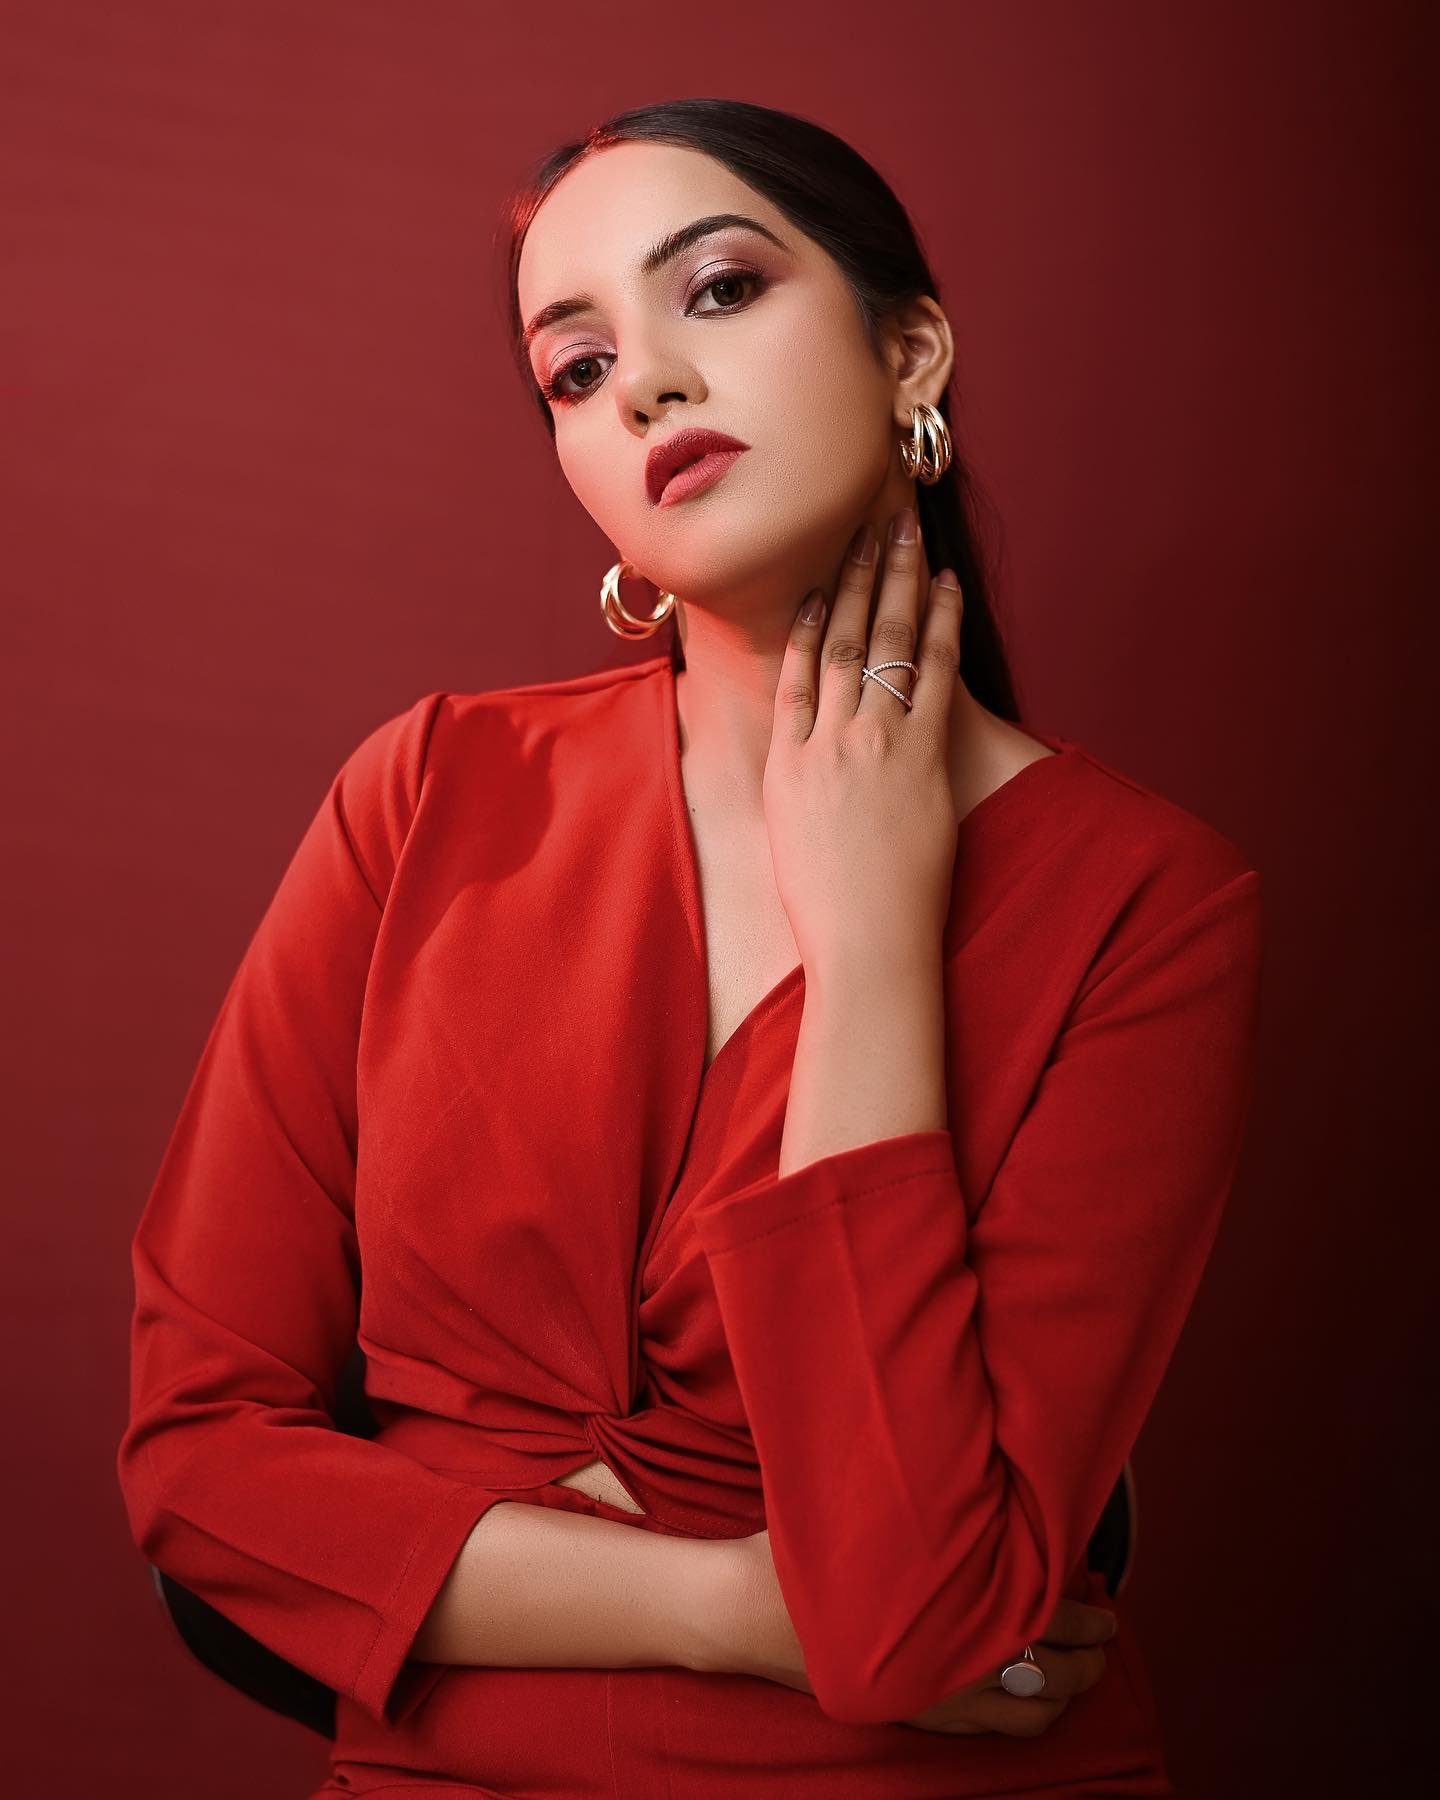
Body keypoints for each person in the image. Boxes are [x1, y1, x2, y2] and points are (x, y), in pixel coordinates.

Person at [117, 98, 1264, 1797]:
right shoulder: (425, 795)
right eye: (576, 371)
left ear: (912, 353)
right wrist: (734, 1607)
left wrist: (870, 933)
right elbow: (201, 1468)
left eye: (718, 290)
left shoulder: (1149, 906)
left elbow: (911, 1613)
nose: (646, 383)